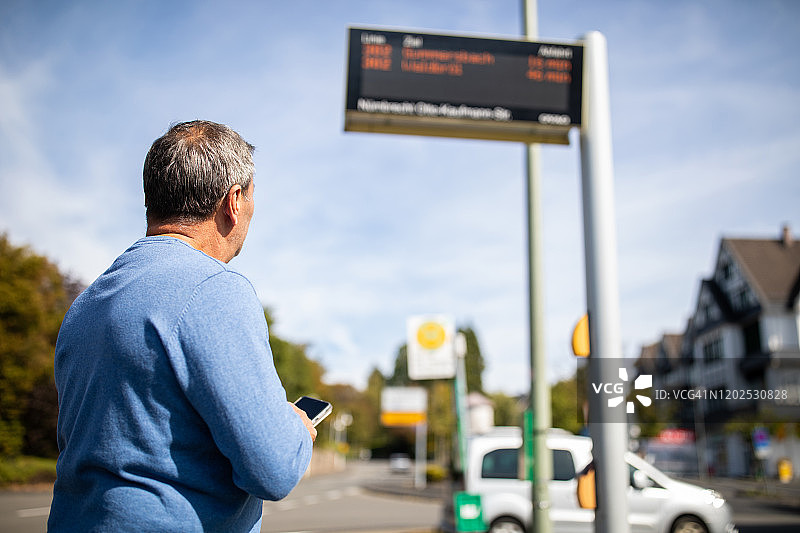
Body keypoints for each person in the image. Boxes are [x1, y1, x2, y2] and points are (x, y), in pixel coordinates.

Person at [48, 120, 316, 532]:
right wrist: (296, 429)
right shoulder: (214, 289)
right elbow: (273, 469)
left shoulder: (85, 305)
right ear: (234, 202)